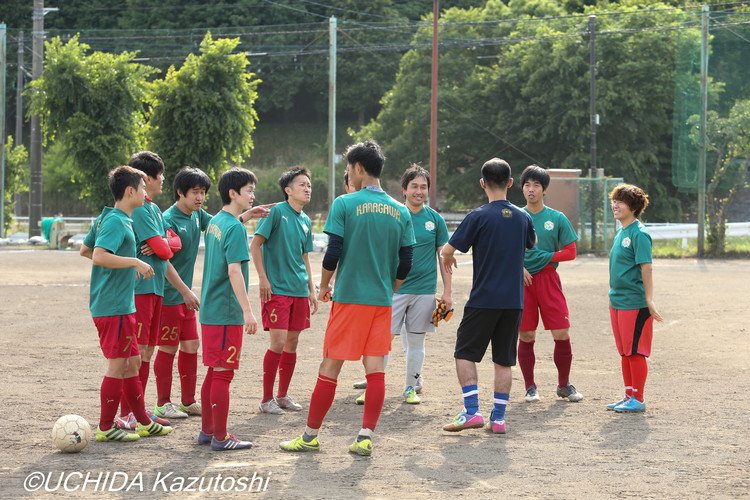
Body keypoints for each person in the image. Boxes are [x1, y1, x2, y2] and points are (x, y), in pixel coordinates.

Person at [279, 139, 415, 457]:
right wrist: (390, 286)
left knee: (330, 367)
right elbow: (406, 261)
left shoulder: (345, 203)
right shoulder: (400, 210)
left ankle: (310, 436)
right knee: (376, 369)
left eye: (347, 168)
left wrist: (324, 286)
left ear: (357, 168)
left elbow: (333, 252)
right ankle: (365, 437)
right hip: (381, 300)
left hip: (350, 298)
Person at [153, 167, 274, 422]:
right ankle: (163, 403)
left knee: (192, 346)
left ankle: (188, 401)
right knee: (168, 348)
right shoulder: (167, 219)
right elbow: (163, 260)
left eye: (202, 193)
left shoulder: (200, 216)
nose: (199, 198)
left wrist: (248, 214)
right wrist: (185, 290)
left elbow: (223, 224)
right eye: (194, 193)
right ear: (180, 193)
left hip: (193, 299)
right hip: (170, 295)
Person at [440, 158, 535, 435]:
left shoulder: (478, 216)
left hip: (483, 299)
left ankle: (471, 412)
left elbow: (448, 249)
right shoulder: (522, 217)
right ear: (510, 183)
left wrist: (448, 258)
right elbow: (532, 243)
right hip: (513, 301)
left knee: (464, 353)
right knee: (504, 360)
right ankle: (500, 419)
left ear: (483, 183)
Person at [84, 166, 172, 442]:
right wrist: (133, 261)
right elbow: (98, 255)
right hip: (114, 307)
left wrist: (119, 267)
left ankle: (143, 421)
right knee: (118, 366)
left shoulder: (109, 218)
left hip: (121, 305)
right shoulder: (115, 221)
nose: (146, 193)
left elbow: (86, 249)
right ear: (130, 191)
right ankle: (106, 426)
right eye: (143, 188)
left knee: (133, 362)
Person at [113, 151, 198, 427]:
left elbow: (171, 247)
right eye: (159, 175)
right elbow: (165, 247)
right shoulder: (139, 210)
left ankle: (139, 411)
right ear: (145, 179)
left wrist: (166, 244)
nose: (163, 180)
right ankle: (127, 414)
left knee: (146, 352)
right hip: (141, 290)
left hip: (157, 288)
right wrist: (165, 243)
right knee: (136, 354)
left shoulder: (152, 209)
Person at [355, 164, 451, 405]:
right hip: (393, 290)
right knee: (382, 341)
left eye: (423, 187)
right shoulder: (394, 213)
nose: (419, 191)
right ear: (404, 189)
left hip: (424, 291)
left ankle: (410, 388)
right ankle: (374, 387)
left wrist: (447, 291)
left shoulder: (435, 220)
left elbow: (444, 256)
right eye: (414, 186)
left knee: (417, 341)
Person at [198, 167, 260, 451]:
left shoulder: (217, 222)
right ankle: (220, 437)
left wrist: (247, 214)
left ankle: (208, 431)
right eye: (248, 190)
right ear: (233, 193)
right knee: (223, 373)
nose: (252, 195)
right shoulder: (234, 228)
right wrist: (247, 311)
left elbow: (232, 224)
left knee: (213, 371)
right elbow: (234, 271)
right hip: (225, 312)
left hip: (212, 311)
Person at [251, 167, 318, 415]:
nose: (307, 188)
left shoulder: (305, 220)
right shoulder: (276, 212)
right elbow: (255, 244)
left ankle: (282, 396)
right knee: (277, 343)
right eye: (302, 184)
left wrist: (311, 289)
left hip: (299, 290)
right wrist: (263, 278)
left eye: (309, 185)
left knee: (292, 343)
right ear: (288, 190)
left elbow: (305, 256)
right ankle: (266, 398)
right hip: (277, 289)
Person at [517, 165, 583, 403]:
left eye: (536, 185)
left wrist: (545, 257)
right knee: (525, 334)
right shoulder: (515, 216)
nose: (531, 190)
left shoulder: (556, 218)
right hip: (521, 280)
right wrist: (518, 267)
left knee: (561, 332)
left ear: (544, 190)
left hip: (548, 278)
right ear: (522, 188)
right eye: (527, 185)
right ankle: (530, 387)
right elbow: (503, 250)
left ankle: (563, 385)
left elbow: (571, 251)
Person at [607, 184, 663, 413]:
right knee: (624, 352)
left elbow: (646, 267)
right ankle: (628, 394)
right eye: (614, 200)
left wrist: (649, 299)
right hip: (617, 301)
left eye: (621, 201)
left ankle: (638, 398)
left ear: (634, 206)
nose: (615, 205)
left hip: (634, 302)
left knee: (635, 352)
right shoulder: (621, 231)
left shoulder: (639, 233)